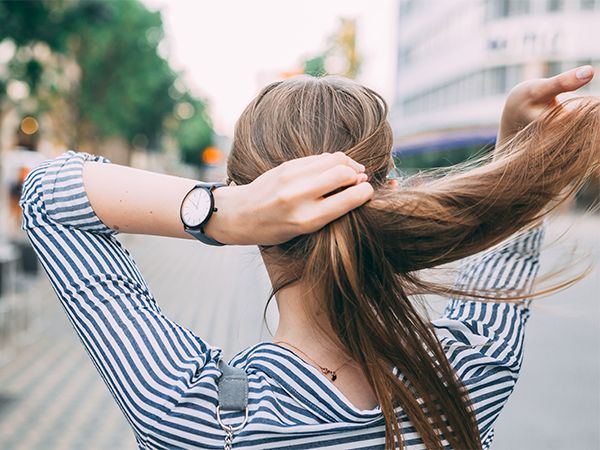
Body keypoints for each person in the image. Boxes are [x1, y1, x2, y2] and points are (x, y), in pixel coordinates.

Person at [20, 65, 599, 450]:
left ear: (255, 205)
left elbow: (48, 194)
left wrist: (219, 213)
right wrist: (520, 145)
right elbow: (513, 219)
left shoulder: (190, 414)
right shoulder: (466, 377)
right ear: (387, 190)